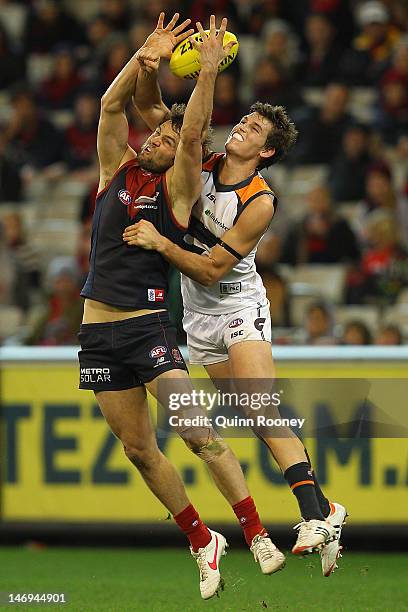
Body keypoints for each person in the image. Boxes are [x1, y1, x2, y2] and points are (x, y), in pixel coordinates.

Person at [79, 14, 284, 600]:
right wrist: (144, 56)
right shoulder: (114, 173)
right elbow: (110, 106)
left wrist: (206, 75)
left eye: (167, 140)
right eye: (157, 135)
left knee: (198, 433)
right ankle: (202, 540)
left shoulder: (178, 195)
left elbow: (193, 134)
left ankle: (254, 530)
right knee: (140, 451)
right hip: (98, 337)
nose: (158, 139)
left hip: (149, 330)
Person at [127, 69, 345, 579]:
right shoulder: (200, 159)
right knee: (254, 415)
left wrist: (161, 244)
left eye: (255, 129)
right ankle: (328, 509)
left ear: (266, 153)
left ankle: (313, 518)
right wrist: (151, 66)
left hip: (238, 304)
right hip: (199, 316)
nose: (243, 126)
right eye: (245, 119)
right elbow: (150, 107)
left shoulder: (260, 200)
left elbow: (210, 268)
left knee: (258, 403)